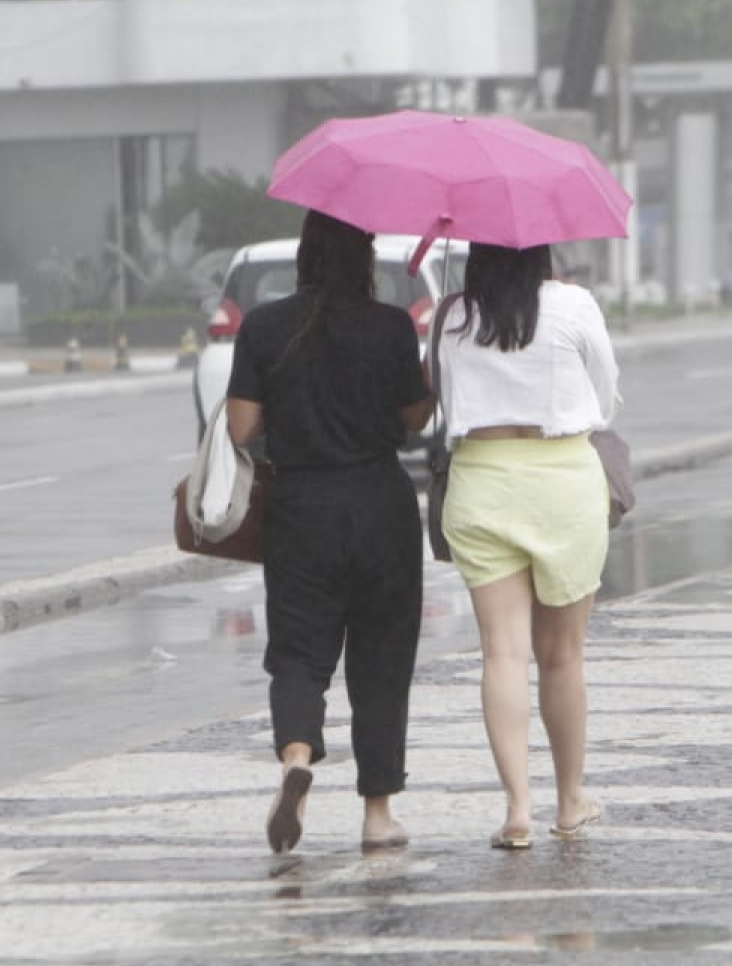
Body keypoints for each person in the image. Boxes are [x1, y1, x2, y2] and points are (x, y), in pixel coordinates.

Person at [225, 210, 434, 853]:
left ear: (305, 257)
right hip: (381, 505)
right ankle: (377, 814)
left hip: (300, 506)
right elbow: (414, 423)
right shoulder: (392, 327)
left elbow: (239, 431)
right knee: (380, 662)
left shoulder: (264, 327)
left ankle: (295, 757)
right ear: (365, 257)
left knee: (297, 654)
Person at [433, 242, 620, 849]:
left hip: (483, 482)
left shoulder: (454, 317)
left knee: (502, 655)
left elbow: (441, 401)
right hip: (563, 480)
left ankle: (517, 808)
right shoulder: (572, 305)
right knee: (562, 656)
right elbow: (605, 391)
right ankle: (570, 801)